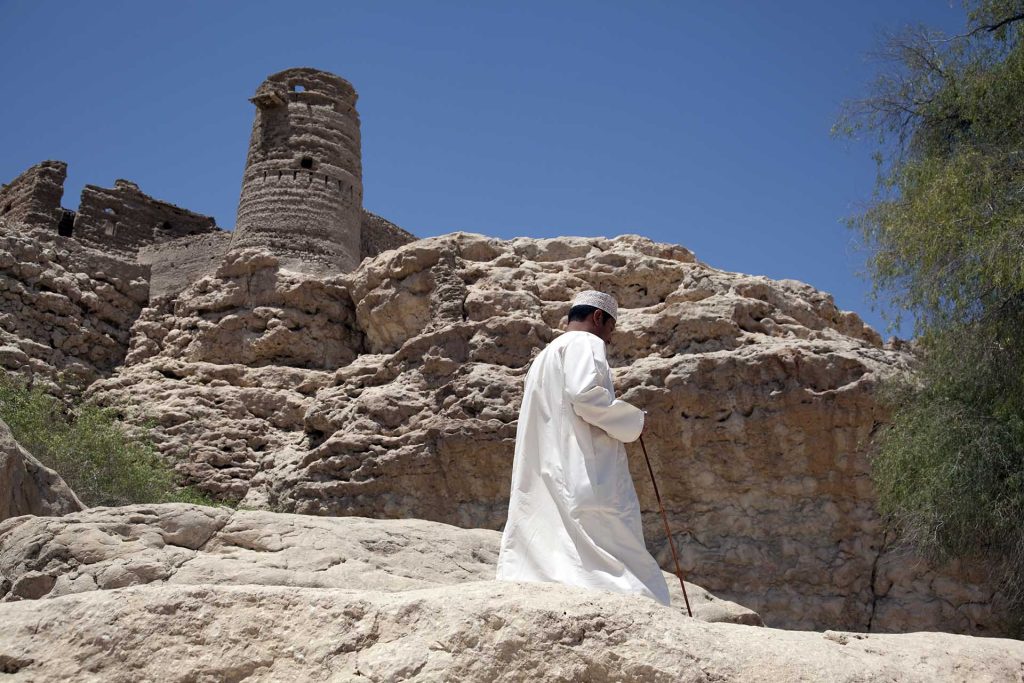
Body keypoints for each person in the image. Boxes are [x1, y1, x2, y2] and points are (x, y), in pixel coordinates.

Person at [496, 290, 671, 606]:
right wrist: (634, 421)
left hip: (549, 465)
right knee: (609, 540)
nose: (609, 339)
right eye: (611, 330)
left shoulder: (545, 356)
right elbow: (586, 396)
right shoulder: (586, 344)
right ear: (598, 317)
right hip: (583, 469)